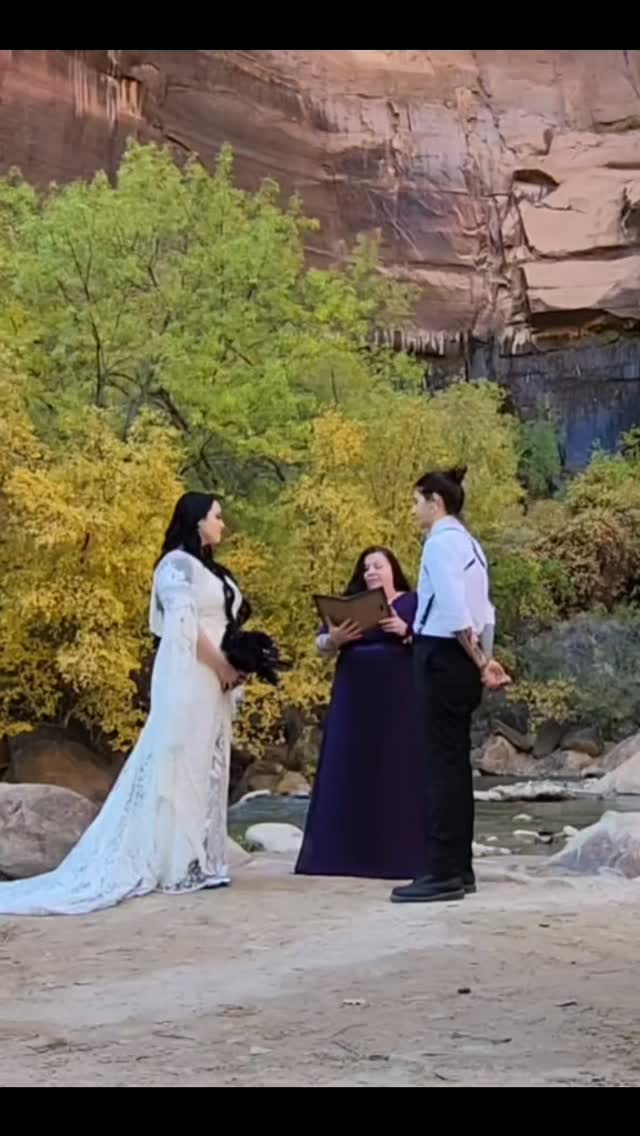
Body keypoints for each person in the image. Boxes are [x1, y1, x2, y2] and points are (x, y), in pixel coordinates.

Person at [0, 492, 250, 916]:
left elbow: (225, 620)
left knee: (209, 760)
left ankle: (204, 859)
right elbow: (183, 626)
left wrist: (240, 662)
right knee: (180, 761)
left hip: (217, 678)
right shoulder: (176, 565)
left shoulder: (212, 570)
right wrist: (223, 665)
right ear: (196, 521)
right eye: (217, 517)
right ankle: (176, 863)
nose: (222, 524)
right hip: (193, 674)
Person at [391, 468, 510, 905]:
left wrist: (480, 659)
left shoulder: (440, 543)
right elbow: (487, 611)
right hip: (460, 661)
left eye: (416, 501)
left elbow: (458, 610)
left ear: (435, 503)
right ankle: (460, 868)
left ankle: (442, 872)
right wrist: (485, 660)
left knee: (440, 766)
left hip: (441, 655)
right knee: (456, 765)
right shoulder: (472, 546)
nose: (413, 510)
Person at [295, 547, 430, 879]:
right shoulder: (349, 605)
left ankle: (401, 857)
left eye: (378, 565)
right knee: (350, 762)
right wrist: (335, 638)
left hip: (398, 695)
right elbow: (321, 647)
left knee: (396, 765)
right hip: (354, 697)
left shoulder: (412, 601)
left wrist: (406, 630)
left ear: (392, 570)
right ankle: (340, 855)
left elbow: (430, 641)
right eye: (366, 566)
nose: (371, 571)